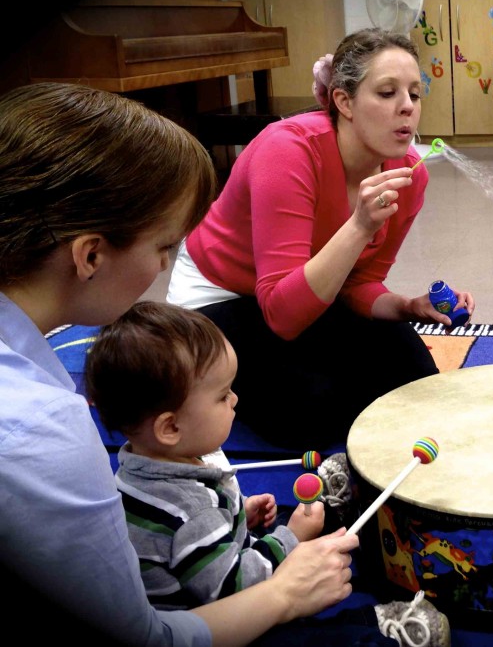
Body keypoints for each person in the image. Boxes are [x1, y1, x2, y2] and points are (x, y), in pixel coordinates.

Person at [0, 81, 370, 646]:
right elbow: (145, 637)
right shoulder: (41, 429)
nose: (168, 266)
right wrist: (285, 591)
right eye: (165, 247)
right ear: (91, 255)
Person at [167, 28, 474, 449]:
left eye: (415, 94)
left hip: (306, 291)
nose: (407, 108)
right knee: (309, 409)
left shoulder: (408, 174)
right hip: (220, 293)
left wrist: (407, 306)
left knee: (414, 378)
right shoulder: (288, 151)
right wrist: (360, 225)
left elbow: (356, 284)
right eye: (387, 93)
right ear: (343, 102)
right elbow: (281, 314)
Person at [84, 301, 326, 608]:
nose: (235, 399)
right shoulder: (193, 510)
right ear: (170, 428)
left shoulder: (134, 467)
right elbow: (234, 589)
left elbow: (182, 546)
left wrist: (234, 520)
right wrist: (292, 537)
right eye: (223, 395)